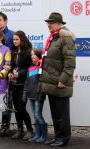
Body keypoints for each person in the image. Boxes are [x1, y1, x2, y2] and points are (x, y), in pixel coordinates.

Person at [38, 12, 76, 147]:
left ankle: (64, 138)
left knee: (62, 114)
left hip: (60, 83)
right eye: (48, 22)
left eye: (51, 22)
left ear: (59, 24)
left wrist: (63, 80)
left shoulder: (65, 37)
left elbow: (70, 62)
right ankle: (58, 136)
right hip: (52, 83)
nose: (49, 24)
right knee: (55, 113)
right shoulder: (53, 37)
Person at [8, 30, 33, 140]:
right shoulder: (12, 51)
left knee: (21, 107)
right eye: (13, 39)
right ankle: (20, 130)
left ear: (22, 40)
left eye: (17, 39)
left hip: (24, 84)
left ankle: (29, 130)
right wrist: (9, 74)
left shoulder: (28, 51)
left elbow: (31, 68)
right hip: (14, 84)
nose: (14, 41)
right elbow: (10, 66)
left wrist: (20, 73)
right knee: (16, 108)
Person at [22, 49, 47, 143]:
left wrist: (41, 94)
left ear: (39, 56)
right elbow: (27, 82)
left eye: (34, 55)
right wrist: (24, 93)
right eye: (31, 55)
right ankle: (37, 134)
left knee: (38, 115)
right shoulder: (31, 67)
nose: (32, 56)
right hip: (30, 94)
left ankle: (43, 135)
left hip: (38, 95)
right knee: (35, 115)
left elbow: (42, 83)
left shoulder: (42, 67)